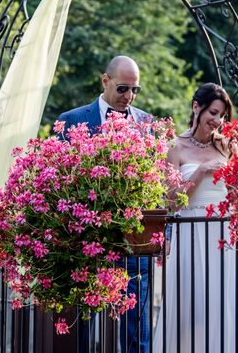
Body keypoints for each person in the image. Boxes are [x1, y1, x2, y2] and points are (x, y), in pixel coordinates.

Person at [57, 55, 150, 353]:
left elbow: (158, 187)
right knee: (80, 331)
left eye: (135, 90)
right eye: (123, 88)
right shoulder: (70, 121)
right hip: (85, 243)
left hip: (132, 243)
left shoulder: (146, 123)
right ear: (105, 81)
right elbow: (55, 181)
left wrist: (164, 237)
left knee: (137, 333)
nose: (129, 97)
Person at [152, 82, 237, 353]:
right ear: (196, 107)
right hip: (189, 233)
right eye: (213, 112)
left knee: (222, 303)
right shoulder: (175, 147)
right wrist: (201, 171)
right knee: (191, 305)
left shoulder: (227, 147)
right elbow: (172, 203)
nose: (217, 121)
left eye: (222, 115)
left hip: (224, 235)